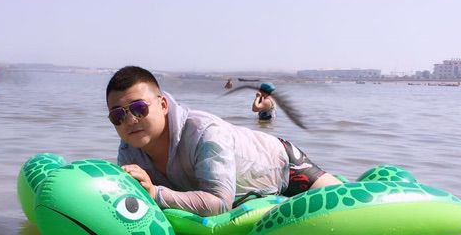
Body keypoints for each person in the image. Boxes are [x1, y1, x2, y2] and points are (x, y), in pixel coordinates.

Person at [106, 65, 341, 217]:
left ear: (163, 105)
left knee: (345, 209)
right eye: (118, 115)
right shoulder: (128, 150)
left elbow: (219, 204)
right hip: (243, 193)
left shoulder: (205, 133)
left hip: (284, 167)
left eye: (139, 108)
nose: (130, 120)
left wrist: (154, 193)